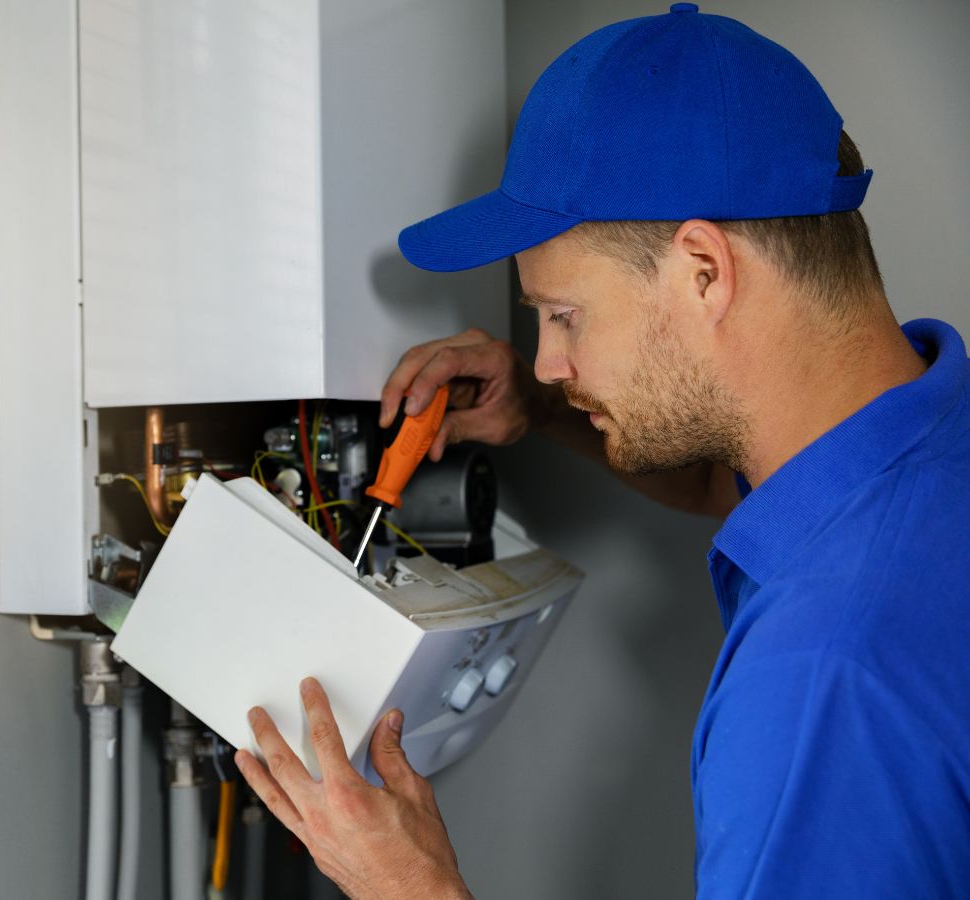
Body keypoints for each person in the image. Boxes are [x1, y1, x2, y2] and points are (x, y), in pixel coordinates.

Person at [232, 4, 970, 898]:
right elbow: (742, 485)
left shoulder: (822, 681)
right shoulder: (927, 435)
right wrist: (544, 408)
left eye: (563, 317)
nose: (546, 359)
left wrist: (411, 887)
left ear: (704, 271)